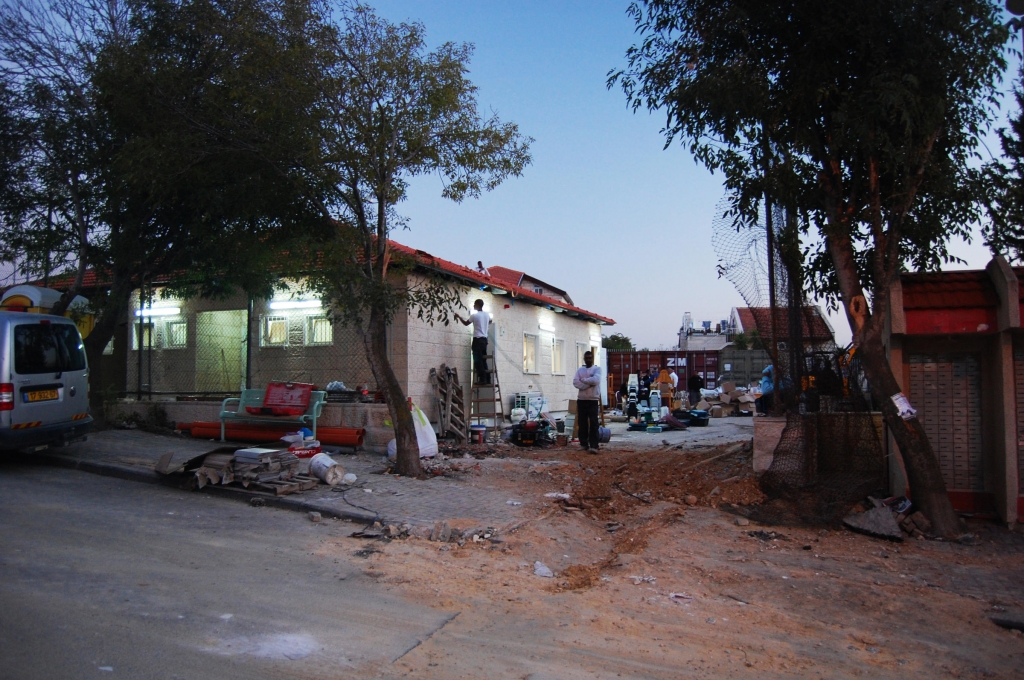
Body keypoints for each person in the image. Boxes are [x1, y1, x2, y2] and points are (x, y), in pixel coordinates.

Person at [454, 300, 491, 385]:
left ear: (478, 305)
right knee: (483, 359)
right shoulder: (487, 315)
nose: (474, 305)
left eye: (475, 304)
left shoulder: (474, 315)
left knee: (478, 360)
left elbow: (466, 323)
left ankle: (482, 379)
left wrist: (459, 317)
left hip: (477, 340)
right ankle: (488, 378)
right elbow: (490, 321)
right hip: (484, 340)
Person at [573, 351, 602, 454]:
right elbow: (575, 382)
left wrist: (583, 380)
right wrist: (588, 384)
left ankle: (594, 445)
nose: (588, 359)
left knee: (594, 423)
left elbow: (596, 380)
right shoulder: (580, 370)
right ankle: (583, 444)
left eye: (590, 358)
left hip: (593, 400)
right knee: (582, 423)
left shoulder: (597, 369)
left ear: (592, 359)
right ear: (584, 359)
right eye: (586, 358)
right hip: (581, 400)